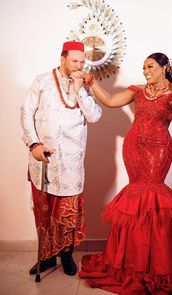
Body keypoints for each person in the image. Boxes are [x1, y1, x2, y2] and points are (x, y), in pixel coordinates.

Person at [77, 53, 172, 294]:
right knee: (136, 199)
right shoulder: (137, 90)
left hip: (159, 150)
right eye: (143, 67)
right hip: (134, 148)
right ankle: (132, 262)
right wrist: (92, 83)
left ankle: (159, 264)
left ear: (164, 67)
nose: (145, 71)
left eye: (150, 66)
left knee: (154, 196)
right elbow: (111, 101)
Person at [20, 41, 102, 276]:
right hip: (43, 159)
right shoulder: (42, 81)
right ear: (62, 59)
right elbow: (26, 112)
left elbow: (95, 116)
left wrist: (79, 91)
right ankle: (46, 258)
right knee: (43, 212)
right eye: (74, 61)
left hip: (72, 165)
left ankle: (66, 255)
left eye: (82, 62)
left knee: (68, 212)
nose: (79, 66)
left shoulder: (82, 86)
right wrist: (33, 144)